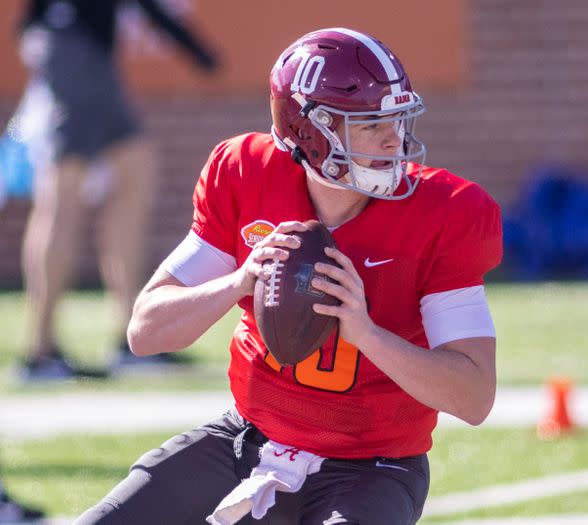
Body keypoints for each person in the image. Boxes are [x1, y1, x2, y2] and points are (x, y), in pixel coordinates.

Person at [76, 27, 502, 524]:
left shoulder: (448, 211)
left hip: (373, 467)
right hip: (245, 439)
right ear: (310, 132)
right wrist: (238, 281)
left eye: (397, 119)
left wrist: (364, 332)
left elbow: (474, 397)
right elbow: (145, 331)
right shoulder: (245, 171)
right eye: (369, 124)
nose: (395, 140)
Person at [16, 0, 218, 381]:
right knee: (63, 191)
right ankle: (40, 352)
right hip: (71, 44)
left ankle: (130, 339)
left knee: (132, 170)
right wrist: (194, 49)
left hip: (78, 48)